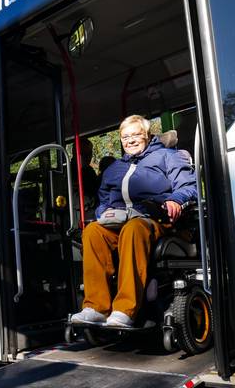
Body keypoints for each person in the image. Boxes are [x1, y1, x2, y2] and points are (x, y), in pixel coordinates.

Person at [71, 115, 197, 327]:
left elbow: (188, 186)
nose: (130, 141)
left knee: (133, 229)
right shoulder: (114, 169)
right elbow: (103, 199)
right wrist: (105, 212)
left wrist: (176, 199)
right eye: (125, 137)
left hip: (154, 218)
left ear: (147, 136)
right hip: (119, 221)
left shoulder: (168, 156)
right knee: (92, 231)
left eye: (136, 135)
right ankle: (96, 307)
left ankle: (125, 309)